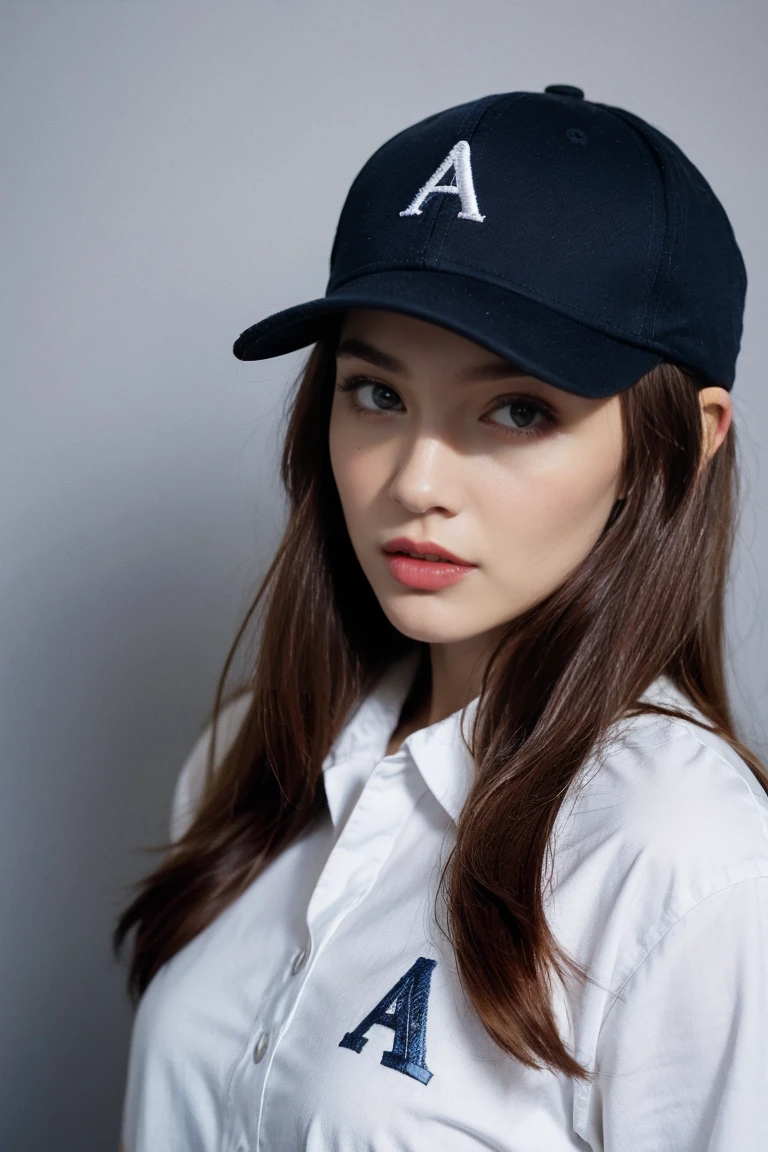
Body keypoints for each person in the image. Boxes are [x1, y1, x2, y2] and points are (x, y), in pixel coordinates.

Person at [114, 84, 768, 1151]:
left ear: (688, 444)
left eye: (518, 409)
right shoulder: (246, 759)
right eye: (377, 393)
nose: (417, 479)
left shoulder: (690, 866)